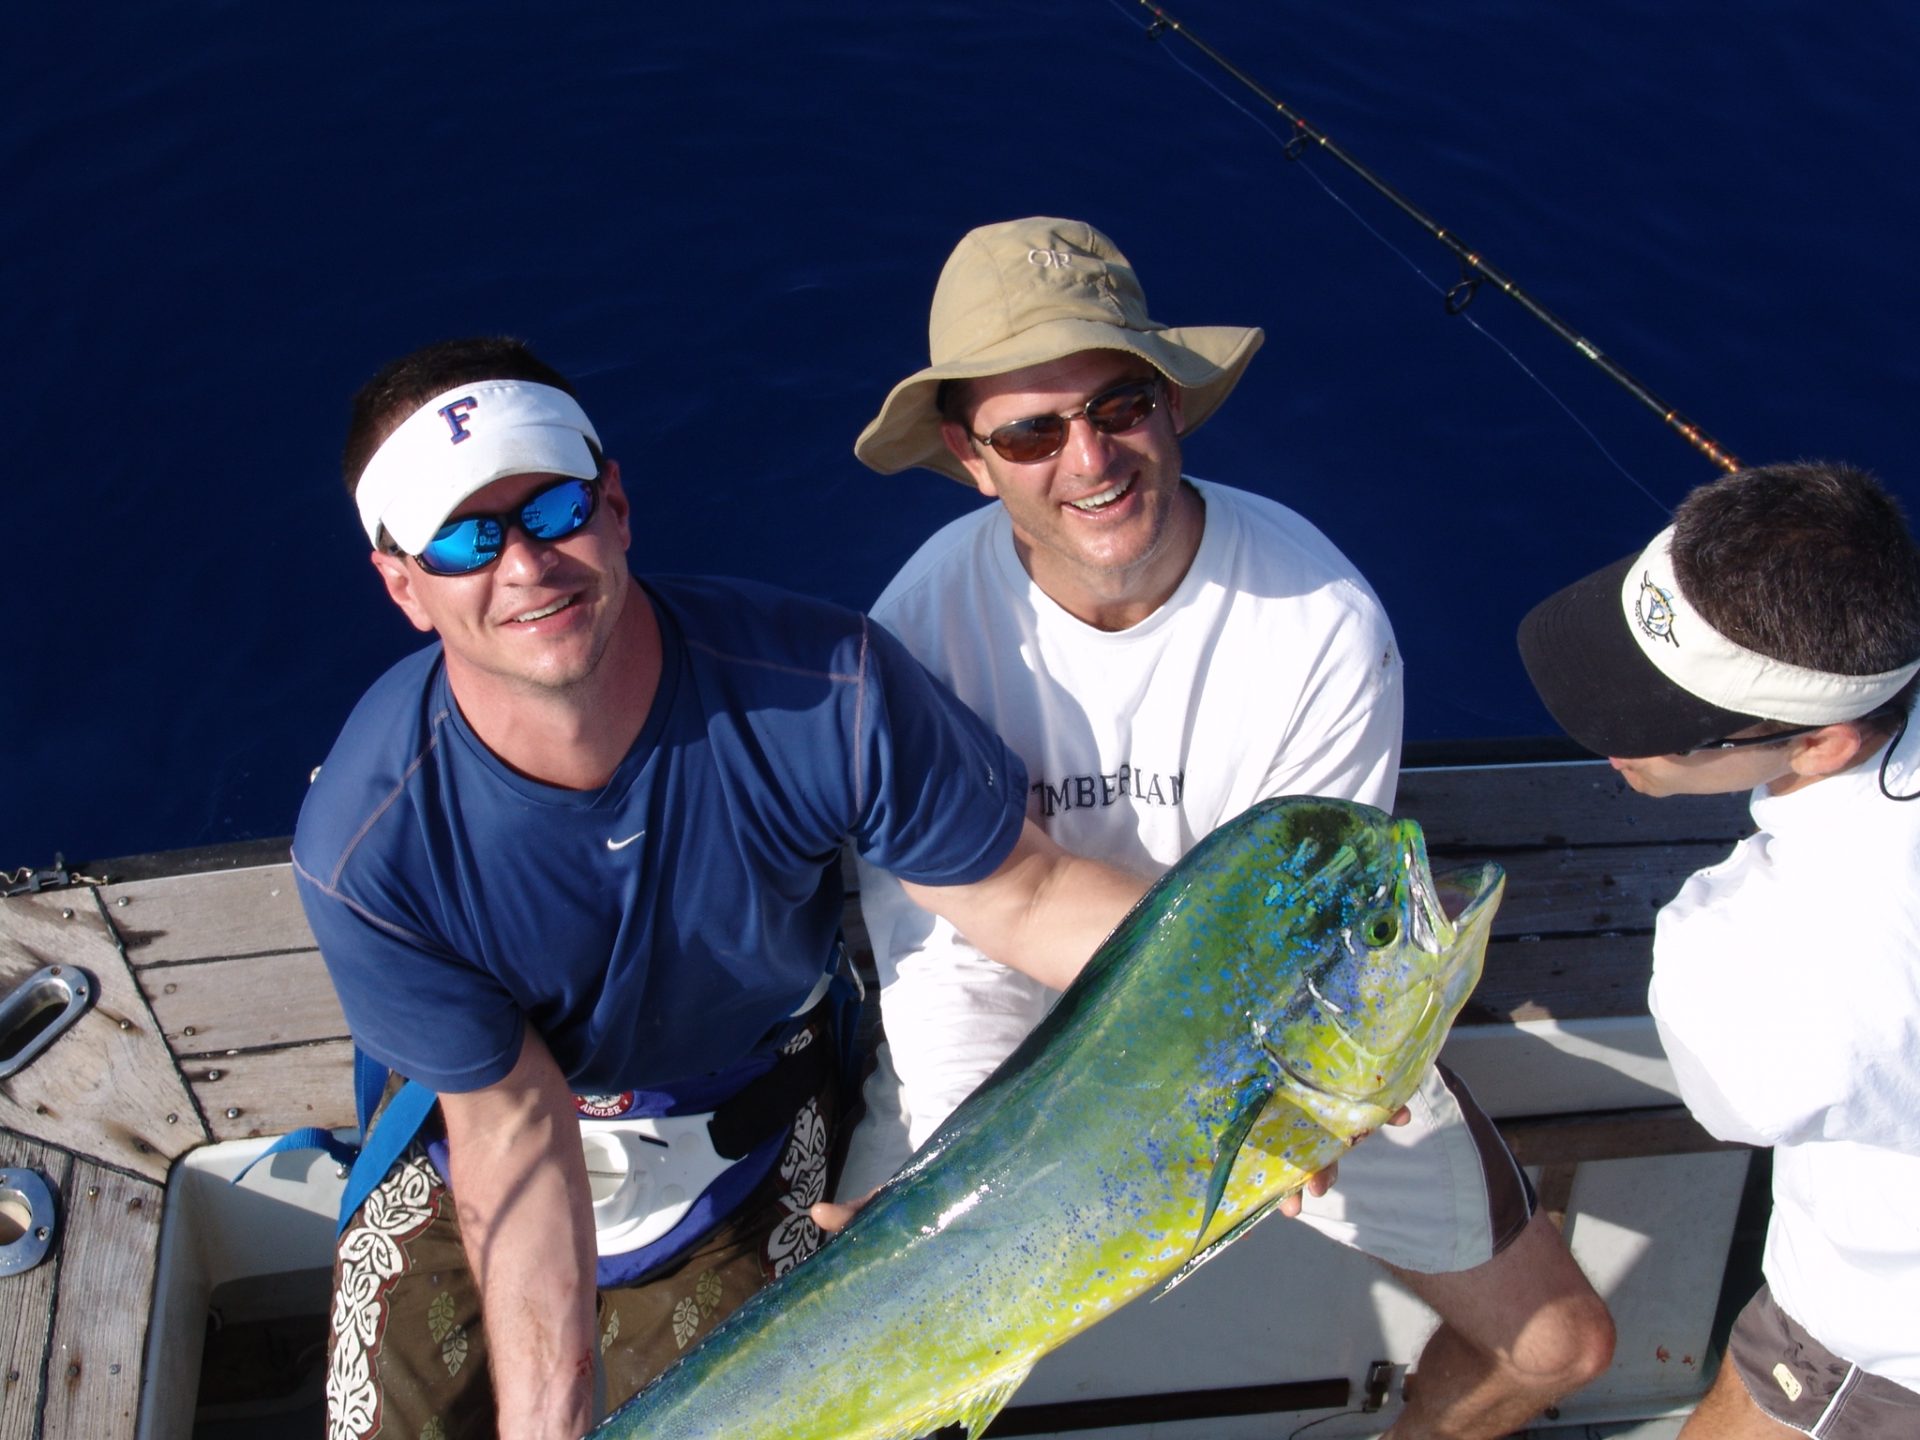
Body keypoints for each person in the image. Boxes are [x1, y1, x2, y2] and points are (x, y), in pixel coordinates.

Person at [835, 216, 1615, 1440]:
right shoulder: (919, 627)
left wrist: (1268, 1118)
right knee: (895, 1379)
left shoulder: (1319, 618)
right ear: (970, 456)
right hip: (1005, 1068)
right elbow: (941, 961)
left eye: (1120, 404)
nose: (1089, 456)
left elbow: (1331, 941)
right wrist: (973, 1208)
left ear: (1174, 404)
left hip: (1275, 1057)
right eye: (1033, 431)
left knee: (1562, 1344)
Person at [292, 336, 1146, 1440]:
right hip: (481, 1140)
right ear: (404, 585)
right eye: (463, 539)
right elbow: (514, 1129)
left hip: (744, 1122)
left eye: (551, 510)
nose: (524, 566)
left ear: (616, 506)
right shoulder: (369, 846)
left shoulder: (828, 689)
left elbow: (1027, 897)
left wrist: (1263, 1000)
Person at [1519, 460, 1920, 1440]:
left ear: (1824, 742)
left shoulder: (1775, 955)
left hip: (1875, 1347)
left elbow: (1732, 1096)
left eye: (1665, 727)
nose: (1616, 745)